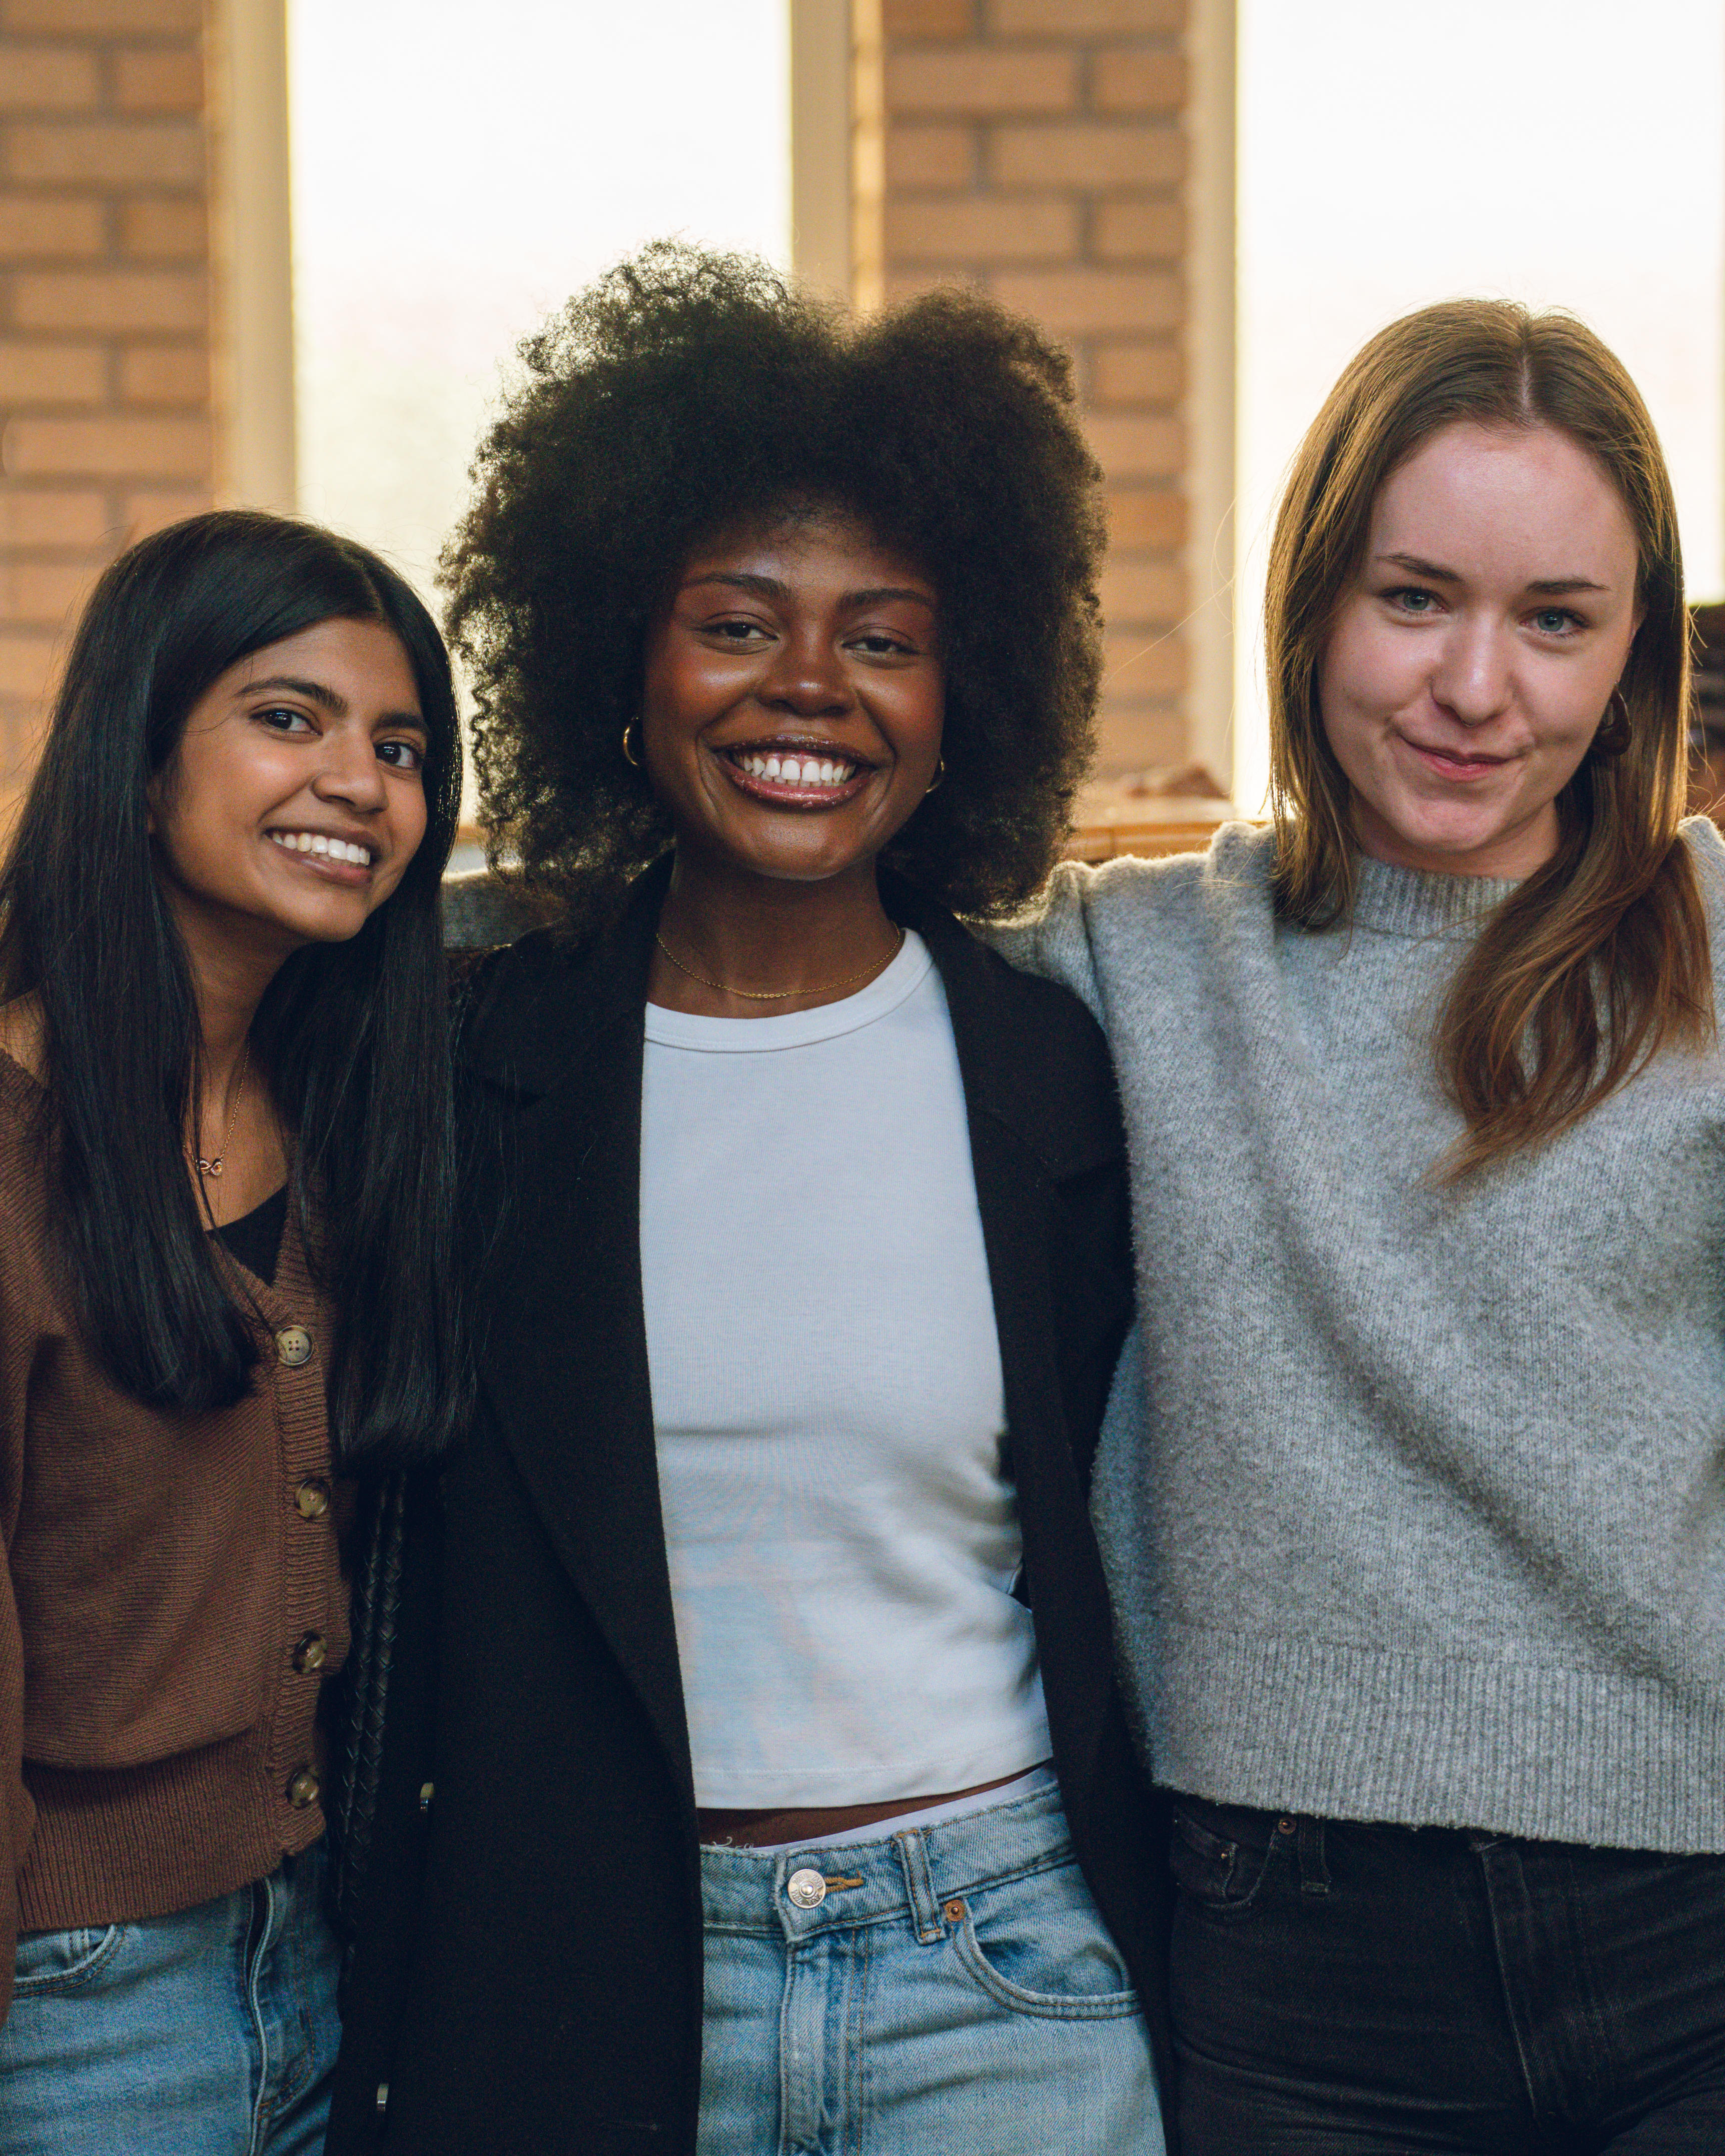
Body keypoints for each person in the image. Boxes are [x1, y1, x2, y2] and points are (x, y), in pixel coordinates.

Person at [324, 245, 1170, 2155]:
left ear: (970, 697)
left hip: (997, 1979)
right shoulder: (466, 1063)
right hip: (583, 1976)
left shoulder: (1051, 1073)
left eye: (884, 637)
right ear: (621, 659)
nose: (811, 686)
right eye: (739, 622)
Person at [992, 299, 1725, 2151]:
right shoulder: (1138, 959)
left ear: (1632, 649)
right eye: (1415, 599)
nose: (1480, 690)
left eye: (1555, 620)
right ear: (1311, 601)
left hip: (1702, 1918)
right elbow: (768, 950)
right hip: (1298, 1960)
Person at [0, 510, 465, 2154]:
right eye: (289, 719)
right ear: (137, 760)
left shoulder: (350, 1119)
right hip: (69, 2007)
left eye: (401, 746)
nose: (360, 783)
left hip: (318, 1963)